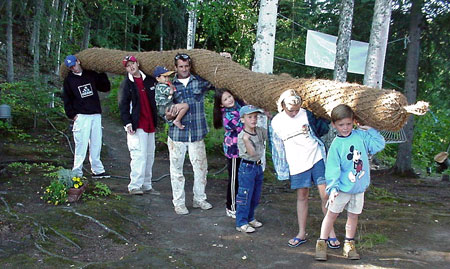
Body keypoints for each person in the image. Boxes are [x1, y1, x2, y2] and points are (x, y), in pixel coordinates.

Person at [315, 104, 385, 261]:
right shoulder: (336, 145)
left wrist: (370, 129)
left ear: (354, 121)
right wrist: (332, 188)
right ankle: (322, 243)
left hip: (358, 187)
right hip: (341, 188)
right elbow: (333, 168)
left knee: (353, 216)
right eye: (341, 125)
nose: (345, 128)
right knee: (332, 215)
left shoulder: (361, 136)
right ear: (334, 125)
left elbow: (379, 144)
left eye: (348, 124)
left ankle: (349, 244)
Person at [271, 89, 339, 248]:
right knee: (302, 195)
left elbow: (322, 129)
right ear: (283, 105)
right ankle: (301, 232)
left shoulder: (307, 114)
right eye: (290, 110)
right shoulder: (276, 121)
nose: (294, 113)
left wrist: (322, 114)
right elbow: (277, 147)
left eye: (296, 109)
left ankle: (330, 232)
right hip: (296, 161)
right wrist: (282, 169)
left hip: (316, 156)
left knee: (325, 194)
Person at [165, 53, 214, 215]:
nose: (184, 69)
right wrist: (169, 116)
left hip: (197, 133)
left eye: (186, 66)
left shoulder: (199, 81)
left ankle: (199, 199)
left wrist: (223, 60)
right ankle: (179, 203)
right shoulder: (169, 85)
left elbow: (217, 80)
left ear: (190, 66)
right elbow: (162, 109)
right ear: (176, 67)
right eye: (181, 66)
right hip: (177, 135)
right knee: (176, 170)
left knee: (201, 168)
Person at [62, 55, 111, 179]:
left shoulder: (90, 74)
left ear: (78, 61)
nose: (74, 68)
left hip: (95, 114)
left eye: (74, 65)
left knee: (96, 143)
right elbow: (66, 99)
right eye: (71, 67)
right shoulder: (69, 80)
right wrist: (73, 115)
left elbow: (105, 88)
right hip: (81, 116)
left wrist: (102, 72)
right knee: (81, 144)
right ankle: (77, 172)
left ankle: (98, 170)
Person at [119, 55, 160, 195]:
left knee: (149, 155)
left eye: (132, 63)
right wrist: (127, 123)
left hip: (150, 124)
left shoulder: (149, 80)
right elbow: (123, 105)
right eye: (127, 65)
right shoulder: (127, 84)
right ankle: (134, 185)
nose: (131, 67)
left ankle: (147, 185)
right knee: (138, 156)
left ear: (137, 63)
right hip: (137, 125)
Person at [235, 105, 267, 233]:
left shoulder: (259, 130)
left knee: (255, 195)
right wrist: (247, 141)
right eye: (250, 117)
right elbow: (252, 153)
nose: (253, 120)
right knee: (245, 195)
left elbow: (270, 133)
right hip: (247, 167)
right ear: (243, 120)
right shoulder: (243, 136)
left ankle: (250, 217)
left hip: (258, 166)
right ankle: (241, 222)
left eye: (255, 117)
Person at [213, 89, 244, 219]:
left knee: (242, 178)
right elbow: (241, 126)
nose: (229, 100)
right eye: (225, 99)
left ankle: (241, 204)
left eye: (230, 96)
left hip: (244, 149)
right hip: (234, 150)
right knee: (234, 179)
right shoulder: (227, 116)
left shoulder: (239, 107)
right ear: (221, 104)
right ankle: (230, 206)